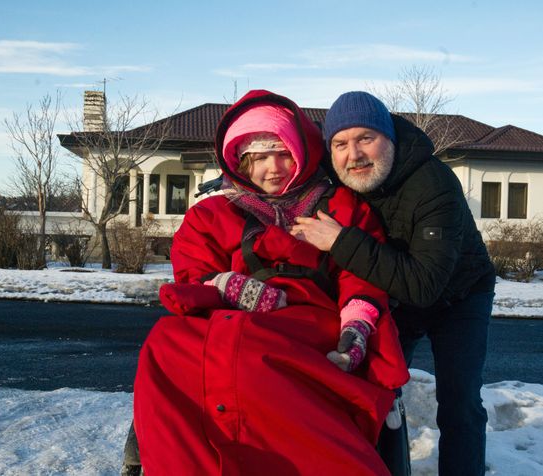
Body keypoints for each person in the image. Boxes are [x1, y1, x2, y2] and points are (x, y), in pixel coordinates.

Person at [131, 89, 409, 475]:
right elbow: (192, 270)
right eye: (260, 157)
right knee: (164, 343)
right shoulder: (212, 213)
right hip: (228, 316)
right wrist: (228, 285)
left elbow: (360, 274)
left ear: (302, 154)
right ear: (241, 162)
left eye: (283, 154)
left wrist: (357, 325)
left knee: (249, 358)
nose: (273, 168)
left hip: (310, 321)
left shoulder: (341, 206)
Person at [291, 91, 496, 476]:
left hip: (459, 296)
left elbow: (423, 286)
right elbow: (283, 173)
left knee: (459, 401)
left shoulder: (433, 184)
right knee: (375, 390)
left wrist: (339, 241)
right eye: (340, 143)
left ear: (390, 139)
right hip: (394, 294)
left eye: (366, 138)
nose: (354, 154)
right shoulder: (334, 182)